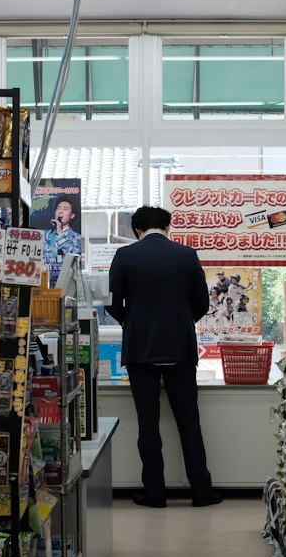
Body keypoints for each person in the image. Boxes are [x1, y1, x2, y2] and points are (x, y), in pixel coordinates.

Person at [107, 206, 223, 508]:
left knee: (148, 423)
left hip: (140, 348)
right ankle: (202, 492)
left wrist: (131, 322)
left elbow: (111, 301)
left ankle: (155, 494)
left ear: (136, 230)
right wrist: (182, 321)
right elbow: (201, 302)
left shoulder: (125, 256)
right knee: (189, 421)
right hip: (180, 348)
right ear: (168, 227)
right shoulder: (187, 255)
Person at [42, 197, 83, 285]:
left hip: (67, 283)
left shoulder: (77, 238)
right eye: (58, 208)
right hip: (44, 282)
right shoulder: (43, 235)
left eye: (65, 209)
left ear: (72, 215)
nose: (60, 211)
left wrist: (60, 233)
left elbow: (74, 258)